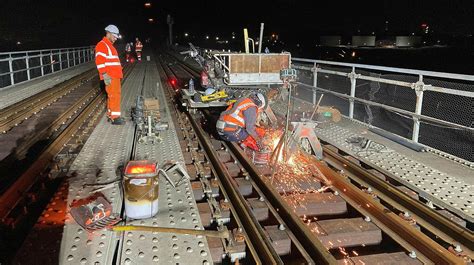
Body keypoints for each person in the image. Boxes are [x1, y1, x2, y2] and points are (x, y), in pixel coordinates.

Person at [95, 25, 125, 125]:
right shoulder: (102, 45)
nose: (116, 38)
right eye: (115, 36)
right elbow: (99, 61)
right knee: (114, 95)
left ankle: (110, 115)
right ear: (108, 33)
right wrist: (104, 74)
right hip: (110, 76)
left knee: (112, 95)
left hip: (114, 75)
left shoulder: (109, 45)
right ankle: (115, 117)